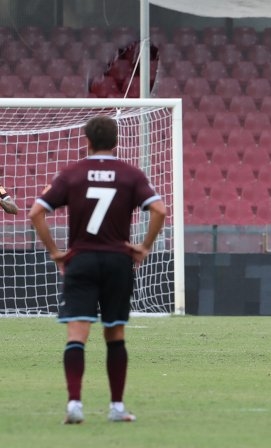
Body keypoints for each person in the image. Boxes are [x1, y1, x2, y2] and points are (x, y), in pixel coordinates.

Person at [28, 115, 167, 424]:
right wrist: (144, 246)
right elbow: (159, 209)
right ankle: (116, 407)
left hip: (82, 261)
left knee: (77, 335)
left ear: (87, 140)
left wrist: (55, 252)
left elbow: (36, 212)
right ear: (116, 142)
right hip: (118, 261)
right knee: (114, 334)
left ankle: (75, 404)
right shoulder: (130, 174)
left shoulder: (73, 174)